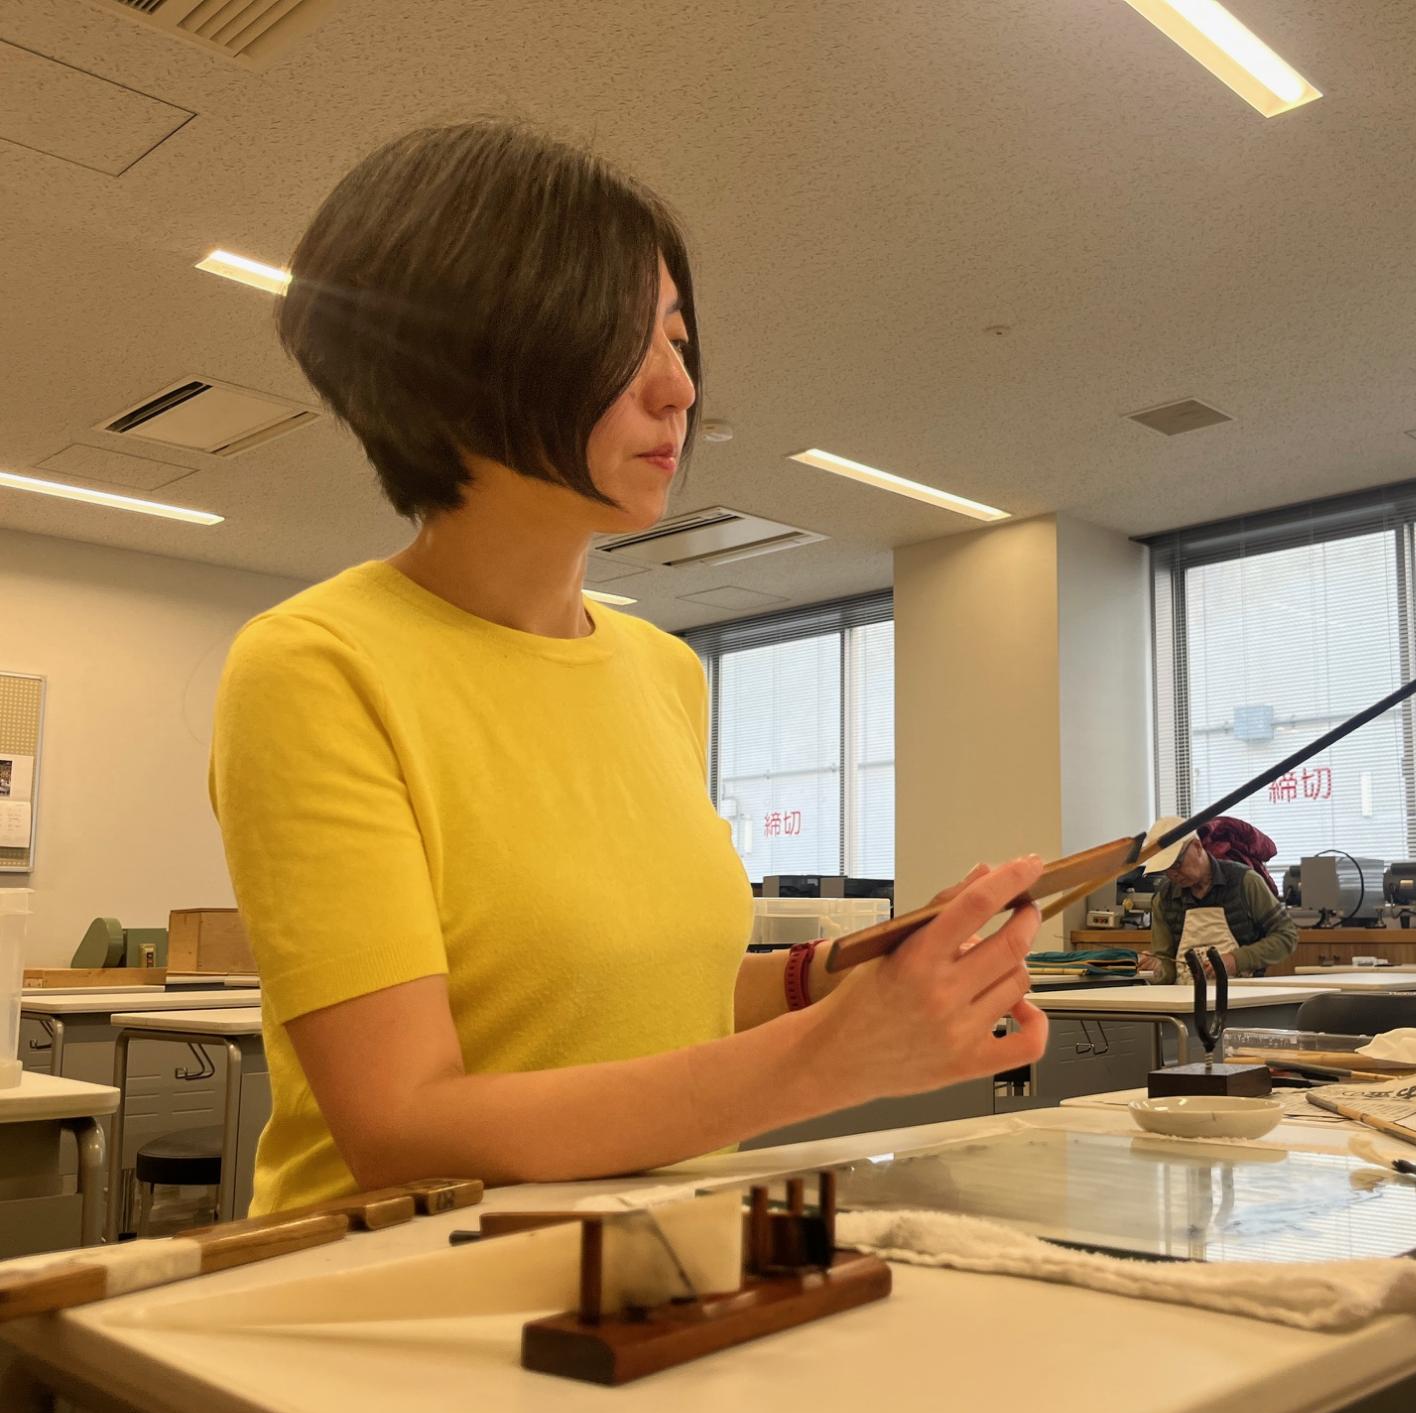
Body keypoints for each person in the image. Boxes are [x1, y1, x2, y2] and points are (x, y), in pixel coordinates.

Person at [210, 120, 1047, 1215]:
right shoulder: (318, 665)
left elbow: (635, 1002)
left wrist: (838, 974)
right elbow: (403, 1130)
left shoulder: (663, 669)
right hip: (408, 1280)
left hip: (653, 1255)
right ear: (461, 363)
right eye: (623, 341)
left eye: (677, 338)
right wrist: (831, 1058)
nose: (679, 389)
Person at [1136, 817, 1299, 982]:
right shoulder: (1164, 897)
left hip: (1244, 993)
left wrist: (1236, 960)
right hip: (1185, 994)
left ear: (1197, 847)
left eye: (1177, 864)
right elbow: (1166, 963)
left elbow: (1286, 936)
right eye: (1166, 869)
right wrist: (1157, 967)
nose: (1173, 874)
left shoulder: (1245, 882)